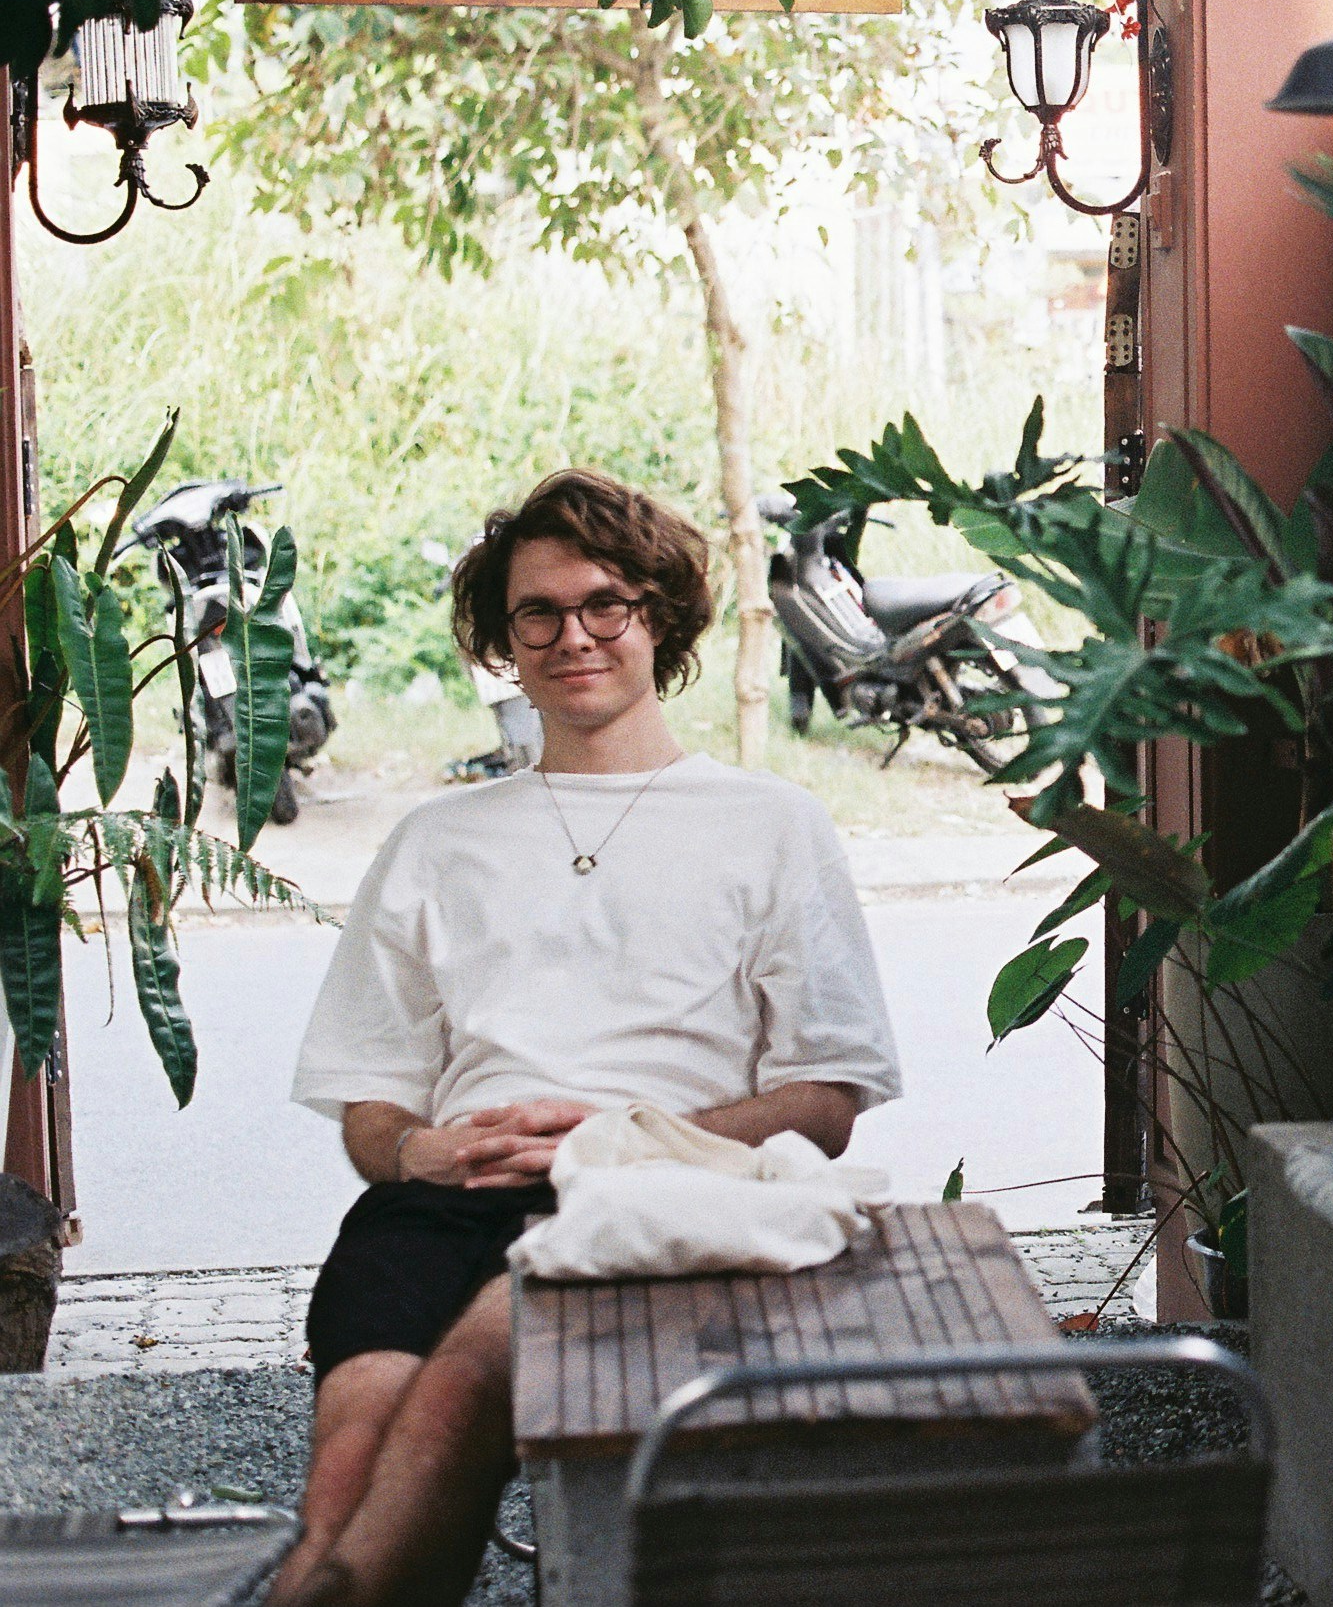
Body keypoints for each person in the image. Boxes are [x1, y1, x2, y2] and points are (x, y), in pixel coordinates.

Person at [271, 470, 903, 1607]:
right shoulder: (437, 839)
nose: (576, 636)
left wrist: (624, 1133)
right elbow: (370, 1105)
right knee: (350, 1456)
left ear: (660, 614)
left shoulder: (769, 824)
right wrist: (426, 1153)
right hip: (445, 1196)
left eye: (606, 603)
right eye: (539, 614)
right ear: (504, 641)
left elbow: (827, 1094)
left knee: (464, 1394)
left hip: (661, 1194)